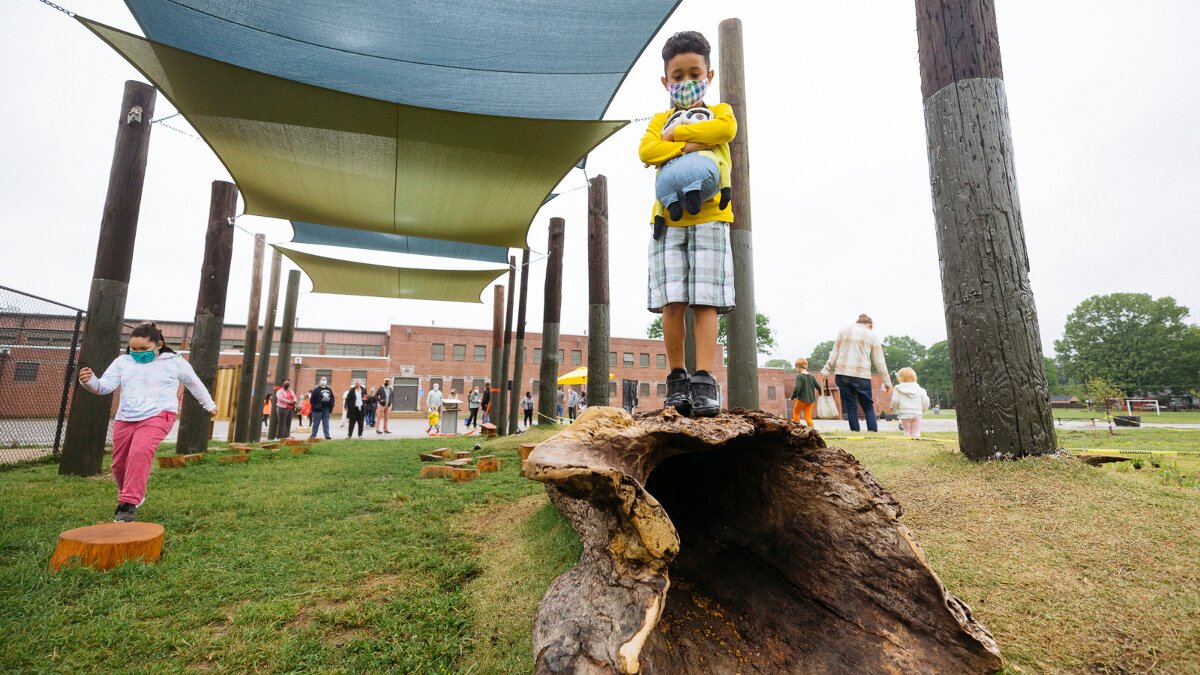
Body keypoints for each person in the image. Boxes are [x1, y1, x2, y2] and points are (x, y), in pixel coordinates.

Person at [640, 31, 737, 418]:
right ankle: (676, 377)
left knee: (705, 299)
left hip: (711, 217)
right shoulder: (657, 120)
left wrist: (676, 136)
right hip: (667, 220)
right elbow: (647, 150)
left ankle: (704, 378)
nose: (685, 81)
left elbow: (724, 131)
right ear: (666, 81)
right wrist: (692, 145)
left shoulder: (721, 111)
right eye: (677, 75)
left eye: (693, 72)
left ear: (708, 75)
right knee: (673, 300)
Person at [78, 321, 217, 522]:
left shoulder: (174, 361)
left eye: (143, 349)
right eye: (133, 348)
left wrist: (209, 405)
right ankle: (132, 494)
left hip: (159, 414)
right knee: (119, 465)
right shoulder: (123, 362)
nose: (137, 353)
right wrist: (89, 381)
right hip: (126, 417)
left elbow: (195, 384)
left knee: (140, 451)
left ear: (158, 345)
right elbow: (104, 387)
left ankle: (128, 503)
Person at [821, 314, 892, 432]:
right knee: (867, 405)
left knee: (850, 405)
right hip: (861, 375)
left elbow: (834, 352)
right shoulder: (872, 335)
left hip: (842, 373)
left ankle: (854, 431)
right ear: (869, 324)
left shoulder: (844, 330)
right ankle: (872, 431)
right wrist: (887, 381)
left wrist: (826, 369)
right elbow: (879, 361)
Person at [891, 367, 931, 438]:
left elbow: (895, 400)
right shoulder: (920, 389)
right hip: (917, 413)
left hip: (905, 413)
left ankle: (908, 445)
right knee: (916, 432)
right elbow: (926, 401)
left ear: (899, 378)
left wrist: (894, 407)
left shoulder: (898, 388)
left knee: (907, 432)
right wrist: (922, 410)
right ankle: (916, 444)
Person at [789, 358, 821, 427]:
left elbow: (797, 388)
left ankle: (797, 429)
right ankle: (812, 431)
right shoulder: (812, 377)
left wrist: (792, 397)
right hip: (811, 400)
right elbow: (819, 387)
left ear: (797, 366)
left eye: (796, 367)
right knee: (808, 416)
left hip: (801, 400)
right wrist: (821, 393)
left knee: (796, 413)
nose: (796, 369)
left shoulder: (799, 376)